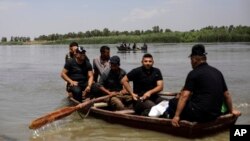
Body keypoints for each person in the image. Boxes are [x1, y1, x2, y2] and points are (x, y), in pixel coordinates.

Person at [168, 44, 241, 127]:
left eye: (191, 59)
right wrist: (231, 110)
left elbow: (184, 96)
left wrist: (177, 116)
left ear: (194, 59)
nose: (190, 62)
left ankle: (173, 120)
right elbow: (227, 94)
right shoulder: (217, 72)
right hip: (215, 113)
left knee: (173, 102)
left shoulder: (193, 73)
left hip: (201, 115)